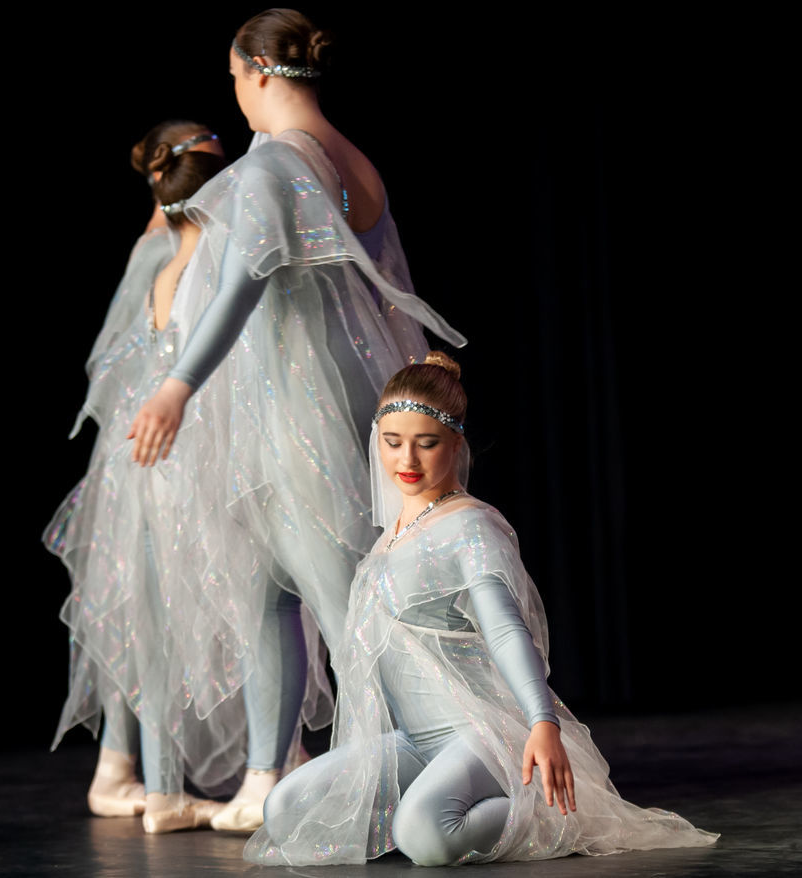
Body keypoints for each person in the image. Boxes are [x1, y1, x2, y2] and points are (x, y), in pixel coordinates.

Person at [127, 8, 467, 832]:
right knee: (265, 588)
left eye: (235, 77)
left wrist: (178, 383)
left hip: (305, 408)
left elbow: (245, 279)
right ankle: (262, 773)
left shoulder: (277, 164)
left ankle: (391, 780)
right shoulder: (351, 159)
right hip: (326, 393)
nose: (236, 95)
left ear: (259, 70)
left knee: (345, 597)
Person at [245, 352, 719, 866]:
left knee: (425, 837)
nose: (407, 460)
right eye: (392, 442)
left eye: (426, 443)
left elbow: (505, 627)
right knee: (286, 809)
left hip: (481, 735)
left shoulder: (470, 526)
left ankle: (548, 814)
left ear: (456, 443)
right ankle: (430, 805)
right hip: (412, 742)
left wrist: (542, 721)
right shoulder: (391, 539)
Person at [45, 121, 245, 834]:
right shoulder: (195, 259)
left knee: (157, 614)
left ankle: (146, 773)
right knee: (174, 613)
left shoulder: (165, 256)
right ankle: (170, 779)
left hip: (149, 454)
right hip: (173, 455)